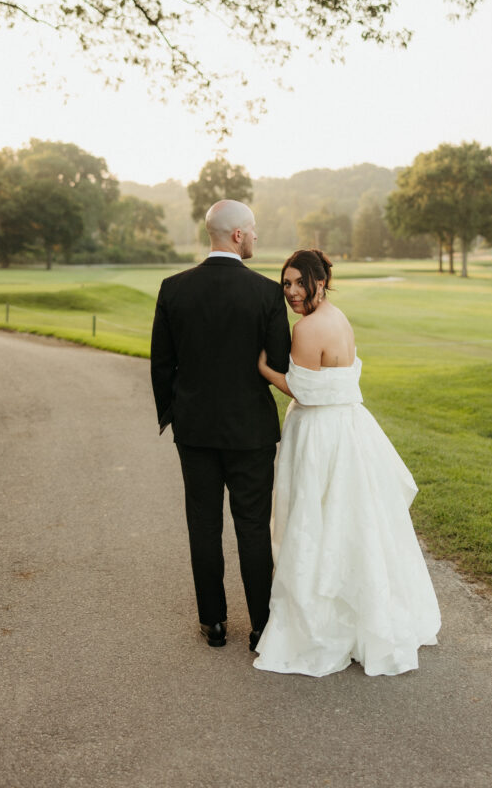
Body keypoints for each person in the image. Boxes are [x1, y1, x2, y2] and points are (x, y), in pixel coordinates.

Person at [254, 248, 441, 677]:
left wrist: (264, 368)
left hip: (320, 434)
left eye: (301, 282)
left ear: (321, 281)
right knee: (352, 522)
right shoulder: (339, 318)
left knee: (316, 521)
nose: (292, 292)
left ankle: (322, 623)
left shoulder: (306, 329)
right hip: (352, 429)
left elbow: (303, 390)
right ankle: (363, 618)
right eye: (286, 284)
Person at [150, 200, 291, 650]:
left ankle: (213, 622)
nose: (255, 237)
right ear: (236, 236)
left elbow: (161, 365)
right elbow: (280, 361)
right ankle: (261, 627)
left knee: (204, 525)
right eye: (252, 231)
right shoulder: (266, 293)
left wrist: (174, 414)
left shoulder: (173, 289)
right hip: (250, 431)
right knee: (252, 527)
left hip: (194, 431)